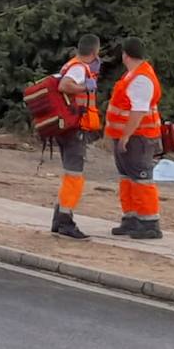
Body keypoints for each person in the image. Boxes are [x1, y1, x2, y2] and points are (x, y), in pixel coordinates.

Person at [105, 36, 165, 240]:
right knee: (128, 178)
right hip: (131, 136)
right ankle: (131, 218)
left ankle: (149, 223)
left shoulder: (141, 78)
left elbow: (138, 112)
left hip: (138, 137)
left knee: (141, 179)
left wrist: (125, 136)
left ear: (125, 55)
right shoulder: (134, 75)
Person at [51, 34, 103, 240]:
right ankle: (65, 220)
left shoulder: (71, 64)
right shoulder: (80, 68)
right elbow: (65, 85)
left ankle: (59, 217)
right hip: (75, 127)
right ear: (95, 52)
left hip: (67, 126)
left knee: (69, 173)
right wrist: (85, 86)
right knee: (74, 175)